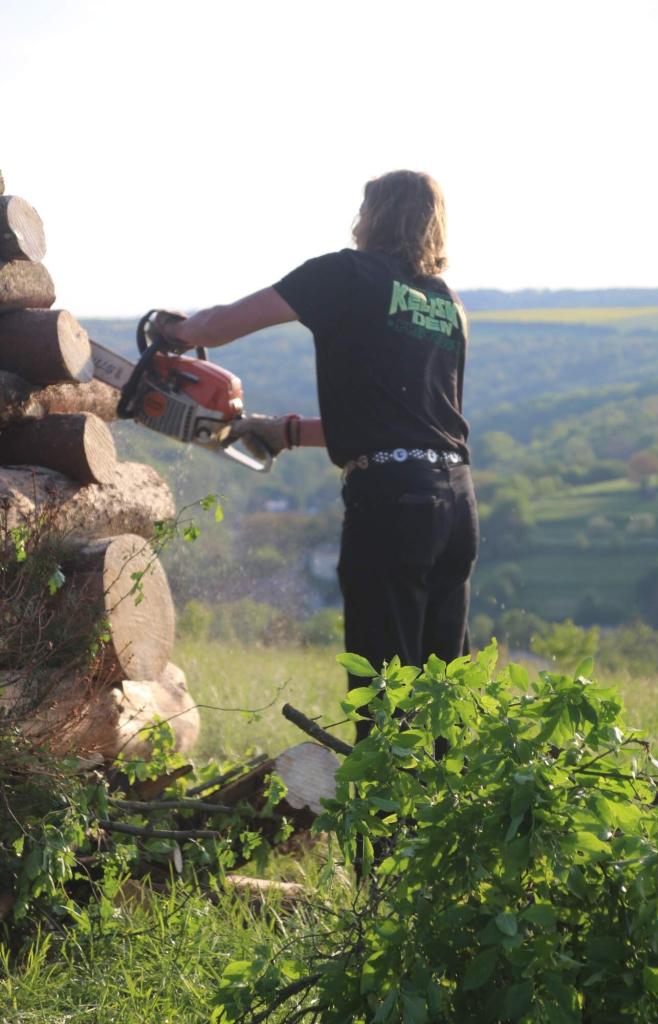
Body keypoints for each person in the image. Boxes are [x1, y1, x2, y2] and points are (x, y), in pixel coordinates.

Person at [157, 170, 479, 740]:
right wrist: (284, 432)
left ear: (371, 216)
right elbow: (407, 424)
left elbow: (221, 325)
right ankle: (447, 796)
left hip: (391, 503)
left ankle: (388, 800)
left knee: (383, 687)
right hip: (455, 503)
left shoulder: (343, 274)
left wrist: (178, 331)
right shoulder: (446, 303)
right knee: (440, 691)